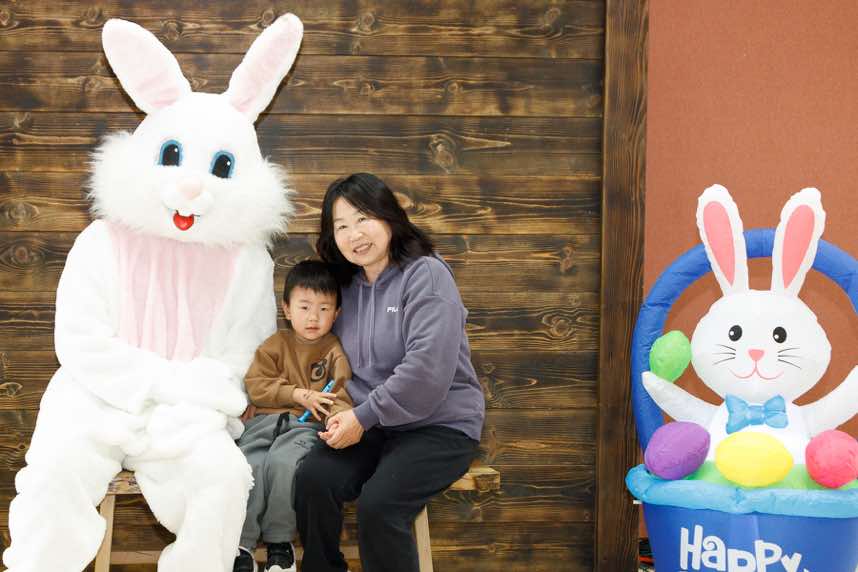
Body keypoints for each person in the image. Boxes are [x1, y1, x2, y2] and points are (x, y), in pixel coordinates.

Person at [295, 173, 486, 572]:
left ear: (389, 216)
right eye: (341, 226)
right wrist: (335, 406)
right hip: (375, 425)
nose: (354, 235)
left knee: (379, 506)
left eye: (363, 218)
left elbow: (426, 371)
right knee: (313, 478)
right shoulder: (345, 286)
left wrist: (362, 416)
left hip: (439, 427)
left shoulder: (426, 274)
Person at [233, 260, 353, 572]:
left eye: (324, 309)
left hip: (305, 427)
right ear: (287, 309)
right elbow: (256, 385)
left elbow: (340, 395)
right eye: (304, 307)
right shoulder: (275, 345)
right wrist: (297, 394)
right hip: (262, 425)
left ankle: (279, 543)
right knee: (248, 466)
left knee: (284, 464)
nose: (314, 317)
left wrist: (338, 419)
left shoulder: (334, 352)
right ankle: (241, 545)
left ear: (336, 313)